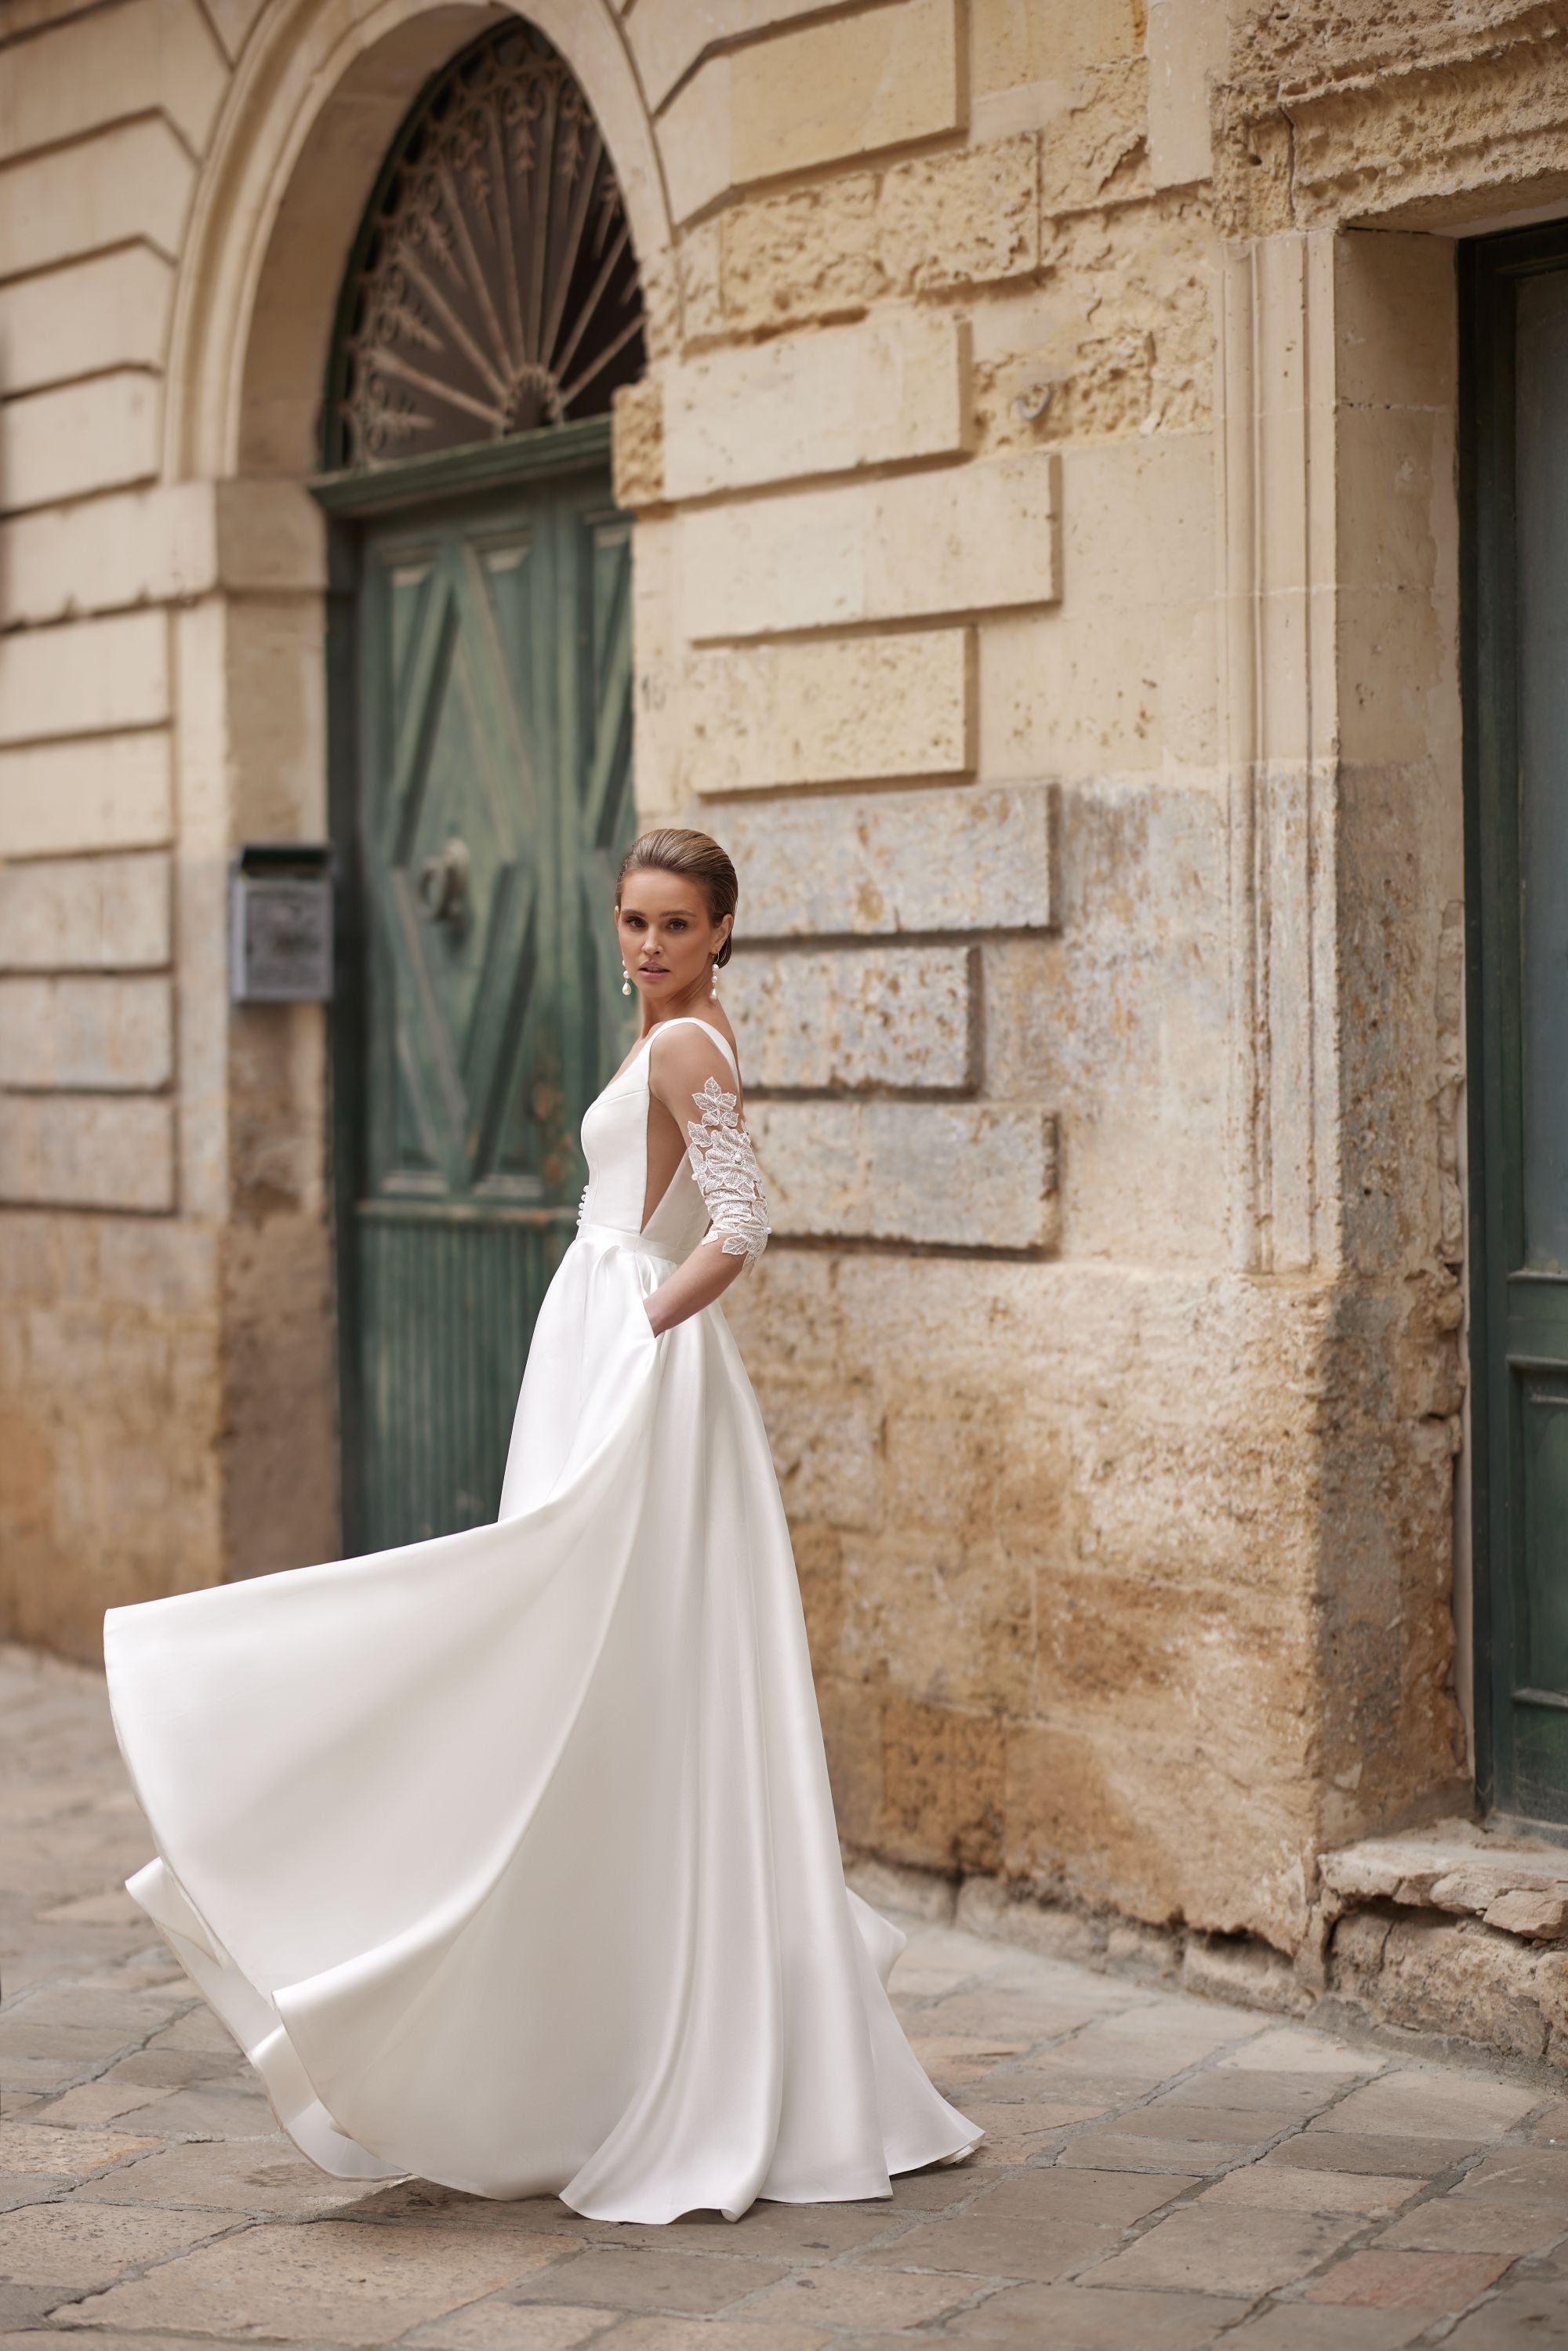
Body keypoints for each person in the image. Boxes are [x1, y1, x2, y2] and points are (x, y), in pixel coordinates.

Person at [103, 826, 980, 2226]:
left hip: (641, 1366)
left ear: (720, 933)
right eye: (633, 921)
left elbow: (741, 1227)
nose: (647, 946)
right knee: (567, 1644)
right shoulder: (668, 1037)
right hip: (600, 1343)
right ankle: (574, 2013)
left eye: (676, 925)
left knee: (555, 1637)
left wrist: (633, 1328)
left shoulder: (692, 1046)